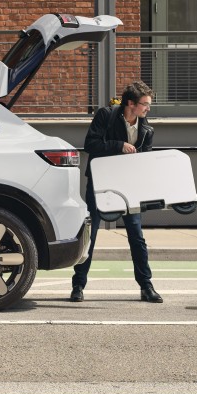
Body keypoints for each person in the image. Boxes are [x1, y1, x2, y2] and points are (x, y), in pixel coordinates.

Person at [70, 82, 161, 304]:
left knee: (136, 236)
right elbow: (90, 144)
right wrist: (118, 145)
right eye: (145, 104)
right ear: (131, 103)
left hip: (129, 186)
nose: (148, 109)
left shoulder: (145, 126)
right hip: (101, 183)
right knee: (90, 235)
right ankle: (78, 285)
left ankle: (146, 287)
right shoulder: (106, 115)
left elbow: (145, 158)